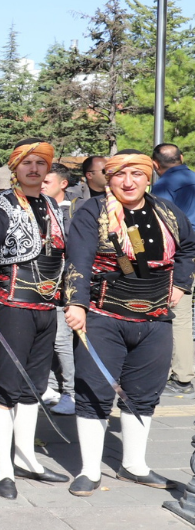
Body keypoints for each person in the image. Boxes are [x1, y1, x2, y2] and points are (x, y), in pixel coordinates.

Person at [64, 151, 195, 496]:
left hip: (155, 319)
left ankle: (134, 465)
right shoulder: (92, 212)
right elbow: (78, 256)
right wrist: (76, 303)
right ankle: (90, 470)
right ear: (109, 179)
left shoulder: (167, 212)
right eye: (120, 175)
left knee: (144, 394)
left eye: (136, 174)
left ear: (148, 177)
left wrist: (181, 284)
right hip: (103, 315)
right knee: (94, 391)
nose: (128, 181)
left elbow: (188, 247)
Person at [0, 139, 70, 500]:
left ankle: (27, 459)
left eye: (40, 164)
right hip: (12, 306)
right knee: (8, 389)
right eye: (26, 163)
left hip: (46, 309)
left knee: (34, 388)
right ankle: (3, 468)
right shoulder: (0, 205)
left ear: (47, 170)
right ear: (15, 168)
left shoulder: (54, 207)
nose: (34, 169)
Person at [152, 143, 195, 396]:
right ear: (182, 158)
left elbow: (161, 224)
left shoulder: (164, 185)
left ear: (155, 165)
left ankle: (181, 378)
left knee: (177, 315)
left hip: (182, 256)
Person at [40, 163, 79, 416]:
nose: (41, 184)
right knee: (48, 338)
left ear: (63, 184)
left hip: (65, 286)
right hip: (39, 285)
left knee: (61, 339)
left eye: (47, 181)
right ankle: (52, 387)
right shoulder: (35, 207)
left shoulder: (75, 211)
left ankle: (71, 393)